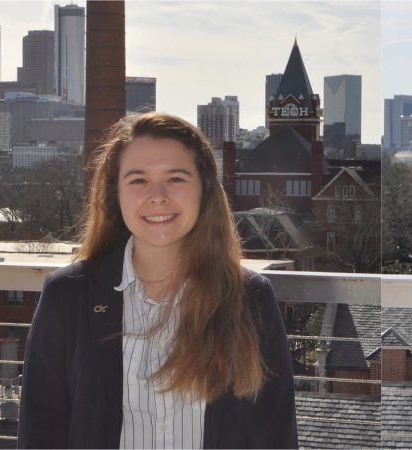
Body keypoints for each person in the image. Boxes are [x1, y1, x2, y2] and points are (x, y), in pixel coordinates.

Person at [17, 113, 297, 448]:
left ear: (205, 190)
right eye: (138, 181)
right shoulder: (68, 296)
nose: (158, 196)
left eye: (176, 179)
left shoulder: (249, 298)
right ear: (115, 194)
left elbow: (275, 435)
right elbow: (40, 433)